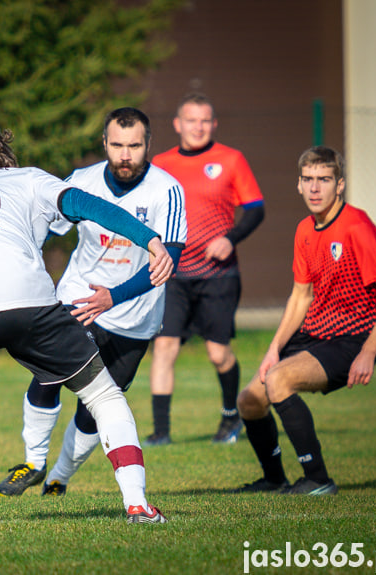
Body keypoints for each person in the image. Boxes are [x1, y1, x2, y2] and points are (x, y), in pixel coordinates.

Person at [0, 122, 174, 524]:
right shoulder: (27, 178)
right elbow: (89, 205)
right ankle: (137, 504)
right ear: (4, 158)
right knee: (103, 396)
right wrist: (151, 241)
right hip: (31, 302)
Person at [0, 107, 186, 498]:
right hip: (77, 298)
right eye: (117, 145)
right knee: (48, 376)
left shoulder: (167, 190)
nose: (125, 155)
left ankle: (59, 478)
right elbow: (44, 226)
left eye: (134, 146)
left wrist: (112, 297)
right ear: (105, 143)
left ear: (148, 144)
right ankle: (33, 462)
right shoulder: (81, 181)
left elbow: (168, 262)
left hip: (134, 318)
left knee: (95, 409)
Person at [232, 146, 376, 495]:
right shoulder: (304, 230)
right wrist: (273, 348)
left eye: (324, 180)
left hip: (353, 338)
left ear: (339, 185)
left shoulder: (356, 226)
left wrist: (369, 351)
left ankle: (318, 479)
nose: (315, 188)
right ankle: (274, 478)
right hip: (313, 333)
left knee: (279, 381)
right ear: (298, 185)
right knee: (249, 400)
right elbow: (301, 296)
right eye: (308, 180)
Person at [147, 93, 265, 446]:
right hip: (174, 274)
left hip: (218, 275)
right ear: (177, 124)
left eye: (205, 120)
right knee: (164, 348)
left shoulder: (230, 160)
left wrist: (231, 238)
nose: (197, 127)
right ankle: (160, 433)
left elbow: (256, 209)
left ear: (213, 124)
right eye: (191, 120)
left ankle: (231, 419)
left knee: (218, 353)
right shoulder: (161, 163)